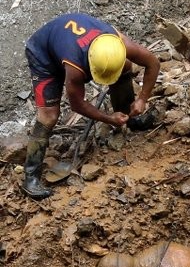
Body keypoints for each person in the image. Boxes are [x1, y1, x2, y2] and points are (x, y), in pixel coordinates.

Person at [22, 13, 160, 199]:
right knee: (49, 115)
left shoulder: (119, 44)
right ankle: (30, 178)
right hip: (43, 53)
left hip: (69, 41)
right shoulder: (75, 68)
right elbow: (77, 104)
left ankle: (131, 118)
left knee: (124, 67)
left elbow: (153, 62)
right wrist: (108, 118)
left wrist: (142, 99)